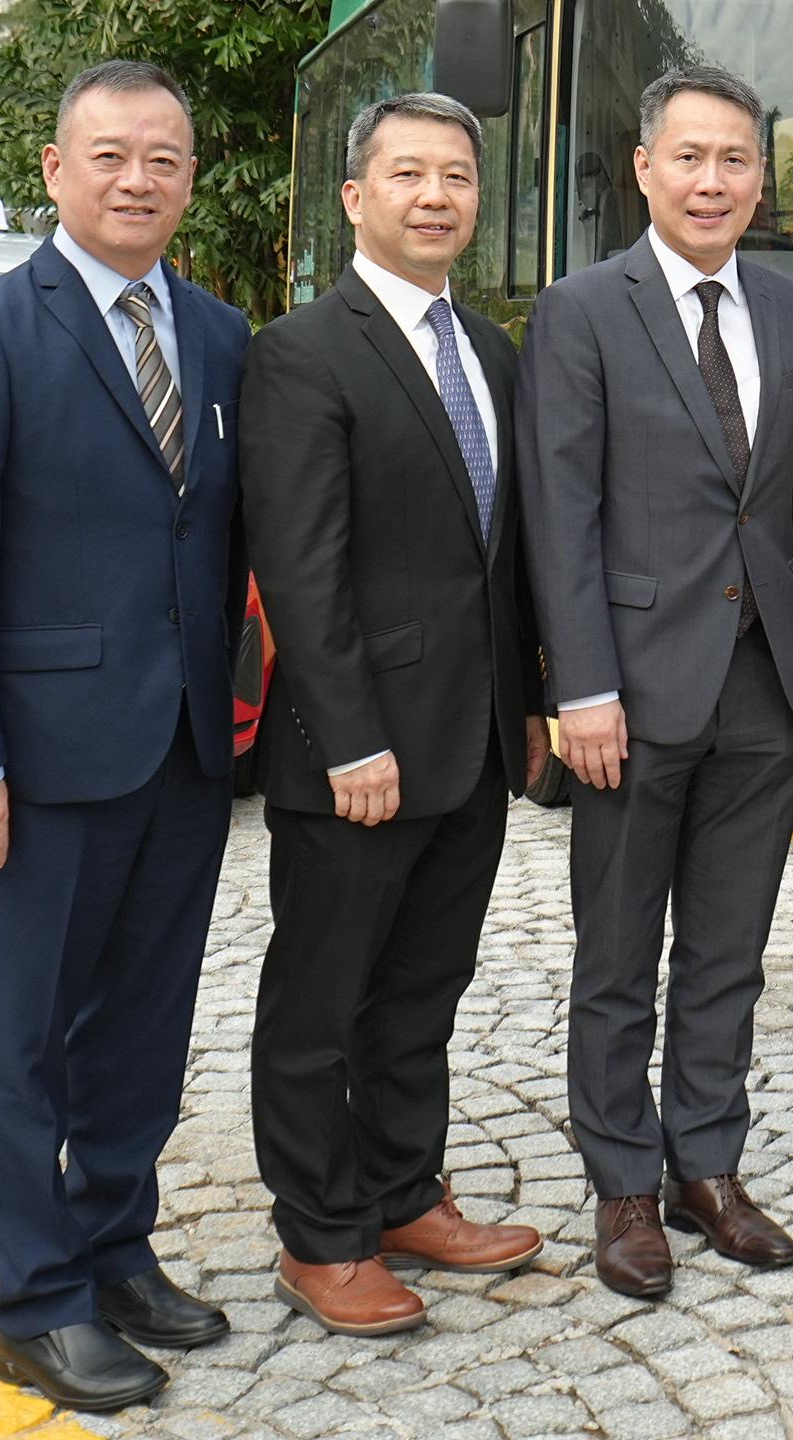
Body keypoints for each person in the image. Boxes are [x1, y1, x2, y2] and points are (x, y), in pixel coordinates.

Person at [0, 62, 248, 1413]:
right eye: (109, 156)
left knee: (143, 1029)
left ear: (189, 179)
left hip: (181, 752)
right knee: (23, 1034)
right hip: (36, 763)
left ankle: (112, 1246)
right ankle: (36, 1303)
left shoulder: (217, 334)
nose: (136, 178)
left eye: (163, 157)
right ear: (55, 169)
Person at [240, 93, 550, 1337]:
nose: (436, 195)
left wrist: (522, 704)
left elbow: (504, 556)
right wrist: (348, 734)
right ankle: (319, 1233)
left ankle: (404, 1187)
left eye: (458, 176)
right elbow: (301, 569)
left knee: (426, 984)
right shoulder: (303, 350)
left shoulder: (492, 348)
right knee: (320, 1002)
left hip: (472, 739)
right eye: (409, 173)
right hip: (357, 754)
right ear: (356, 196)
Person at [517, 66, 793, 1301]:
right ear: (644, 167)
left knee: (729, 947)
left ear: (763, 175)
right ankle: (623, 1184)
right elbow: (561, 509)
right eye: (689, 156)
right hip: (632, 690)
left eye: (737, 158)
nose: (713, 180)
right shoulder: (585, 309)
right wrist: (578, 684)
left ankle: (708, 1164)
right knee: (616, 946)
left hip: (765, 681)